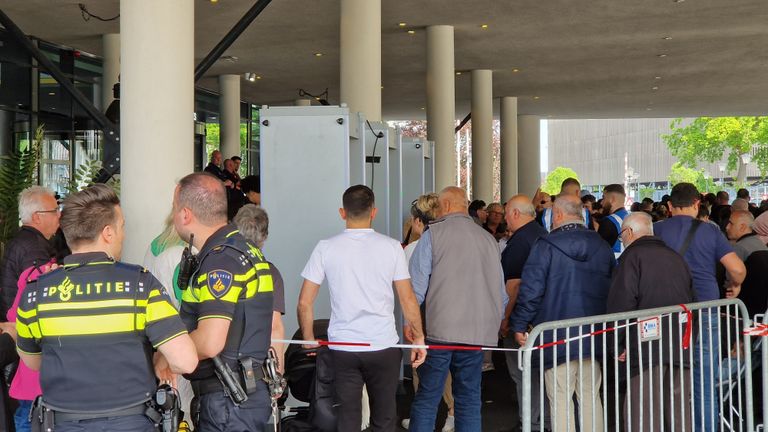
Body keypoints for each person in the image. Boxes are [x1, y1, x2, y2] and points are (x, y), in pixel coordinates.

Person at [15, 184, 197, 432]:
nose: (123, 234)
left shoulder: (36, 293)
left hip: (62, 423)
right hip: (132, 423)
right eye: (122, 227)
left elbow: (33, 362)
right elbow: (186, 361)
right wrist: (158, 357)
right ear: (108, 233)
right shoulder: (140, 286)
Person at [297, 185, 426, 432]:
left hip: (343, 347)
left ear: (342, 212)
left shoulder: (326, 247)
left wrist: (308, 339)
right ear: (374, 212)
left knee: (348, 417)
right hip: (383, 344)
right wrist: (418, 337)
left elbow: (304, 302)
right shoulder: (391, 247)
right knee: (385, 416)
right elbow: (407, 299)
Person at [172, 172, 275, 431]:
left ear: (185, 214)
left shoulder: (221, 260)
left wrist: (167, 353)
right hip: (242, 398)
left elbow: (210, 342)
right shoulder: (243, 249)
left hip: (228, 403)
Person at [511, 194, 615, 432]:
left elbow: (531, 291)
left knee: (559, 398)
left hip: (555, 337)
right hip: (593, 336)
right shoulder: (602, 246)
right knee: (591, 396)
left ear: (556, 214)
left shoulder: (545, 246)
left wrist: (519, 325)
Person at [408, 186, 506, 432]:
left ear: (448, 206)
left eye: (439, 206)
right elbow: (501, 294)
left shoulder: (434, 234)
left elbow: (416, 289)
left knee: (427, 398)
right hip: (476, 334)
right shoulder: (488, 239)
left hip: (440, 332)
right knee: (469, 399)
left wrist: (411, 326)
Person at [654, 182, 746, 432]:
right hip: (705, 309)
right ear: (697, 204)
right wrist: (734, 286)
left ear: (670, 206)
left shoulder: (656, 230)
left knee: (666, 376)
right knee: (704, 381)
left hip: (668, 311)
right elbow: (737, 269)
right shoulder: (711, 232)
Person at [606, 212, 694, 432]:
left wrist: (616, 342)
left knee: (643, 410)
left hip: (645, 348)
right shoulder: (676, 257)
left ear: (629, 232)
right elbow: (694, 301)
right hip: (679, 345)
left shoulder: (631, 258)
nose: (622, 241)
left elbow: (622, 303)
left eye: (621, 236)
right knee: (679, 409)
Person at [400, 194, 456, 432]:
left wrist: (409, 324)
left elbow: (409, 292)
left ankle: (421, 420)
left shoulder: (412, 249)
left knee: (421, 373)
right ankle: (453, 413)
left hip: (422, 320)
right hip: (451, 317)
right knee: (450, 371)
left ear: (417, 222)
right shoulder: (454, 243)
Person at [499, 194, 549, 432]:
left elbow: (514, 285)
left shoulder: (520, 241)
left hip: (522, 319)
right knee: (537, 372)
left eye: (506, 212)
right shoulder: (541, 233)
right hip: (540, 317)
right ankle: (540, 420)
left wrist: (505, 318)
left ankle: (530, 422)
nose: (504, 218)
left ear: (516, 214)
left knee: (522, 373)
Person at [233, 204, 286, 371]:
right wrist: (277, 372)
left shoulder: (222, 265)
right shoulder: (270, 273)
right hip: (256, 365)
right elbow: (274, 327)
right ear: (265, 236)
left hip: (221, 362)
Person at [1, 186, 60, 318]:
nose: (59, 215)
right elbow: (38, 297)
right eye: (55, 211)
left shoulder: (23, 239)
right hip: (21, 328)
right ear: (37, 217)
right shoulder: (34, 248)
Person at [597, 184, 628, 257]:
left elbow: (599, 252)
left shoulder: (609, 222)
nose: (602, 203)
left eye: (603, 198)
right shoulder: (632, 218)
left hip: (614, 266)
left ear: (612, 199)